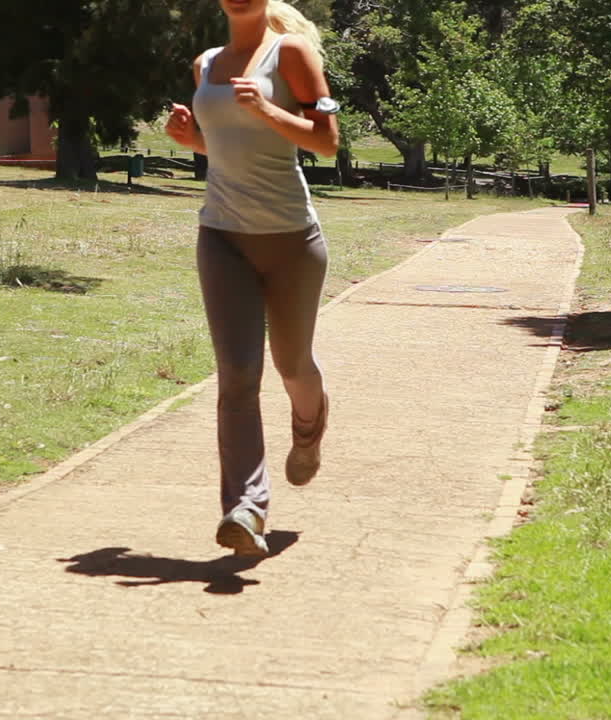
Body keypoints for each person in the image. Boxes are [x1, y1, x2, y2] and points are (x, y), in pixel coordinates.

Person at [165, 0, 340, 557]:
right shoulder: (207, 64)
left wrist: (268, 110)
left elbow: (326, 141)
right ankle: (246, 508)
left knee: (292, 365)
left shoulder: (291, 53)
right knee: (238, 374)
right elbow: (222, 148)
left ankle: (310, 424)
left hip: (291, 241)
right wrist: (189, 138)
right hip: (222, 236)